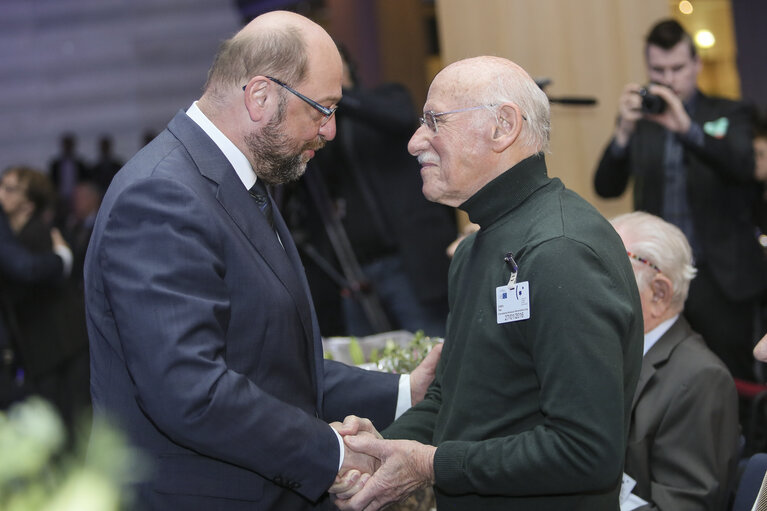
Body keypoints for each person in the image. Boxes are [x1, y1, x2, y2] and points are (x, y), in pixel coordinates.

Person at [84, 11, 439, 511]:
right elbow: (191, 392)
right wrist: (333, 454)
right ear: (260, 97)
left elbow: (269, 365)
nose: (331, 130)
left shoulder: (235, 180)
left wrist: (405, 391)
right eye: (322, 108)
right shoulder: (162, 195)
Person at [330, 55, 644, 511]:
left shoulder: (559, 250)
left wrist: (433, 464)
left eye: (435, 121)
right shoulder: (477, 249)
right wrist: (382, 451)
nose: (416, 141)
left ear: (503, 126)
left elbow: (586, 452)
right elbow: (451, 398)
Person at [594, 18, 765, 381]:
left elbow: (744, 166)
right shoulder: (640, 120)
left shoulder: (728, 112)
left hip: (721, 278)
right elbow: (606, 187)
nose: (668, 79)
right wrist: (622, 133)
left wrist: (686, 128)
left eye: (677, 68)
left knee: (733, 376)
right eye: (658, 70)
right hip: (660, 276)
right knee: (663, 376)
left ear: (696, 66)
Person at [280, 46, 456, 337]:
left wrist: (332, 98)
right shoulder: (314, 130)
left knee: (435, 346)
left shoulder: (386, 98)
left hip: (406, 265)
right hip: (354, 274)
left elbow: (400, 117)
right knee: (370, 365)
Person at [610, 211, 739, 511]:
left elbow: (684, 506)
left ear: (659, 293)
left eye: (608, 278)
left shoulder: (701, 378)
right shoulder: (607, 354)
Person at [0, 166, 89, 432]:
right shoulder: (18, 239)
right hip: (50, 350)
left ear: (28, 205)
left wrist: (62, 260)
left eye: (10, 189)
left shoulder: (36, 234)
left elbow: (26, 277)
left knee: (66, 430)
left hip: (59, 349)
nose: (1, 193)